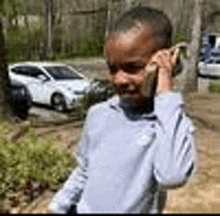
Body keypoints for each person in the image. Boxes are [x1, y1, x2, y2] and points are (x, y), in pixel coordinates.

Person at [48, 6, 196, 214]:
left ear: (167, 63)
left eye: (133, 68)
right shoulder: (98, 114)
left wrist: (165, 88)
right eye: (112, 68)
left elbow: (173, 175)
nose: (119, 79)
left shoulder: (169, 125)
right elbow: (84, 170)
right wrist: (57, 206)